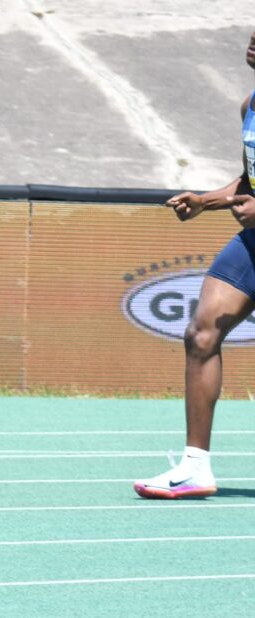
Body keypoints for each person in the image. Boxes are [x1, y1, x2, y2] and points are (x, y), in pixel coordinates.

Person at [134, 29, 255, 499]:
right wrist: (208, 200)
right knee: (201, 332)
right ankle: (194, 467)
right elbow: (249, 177)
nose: (253, 39)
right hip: (253, 244)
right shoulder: (250, 105)